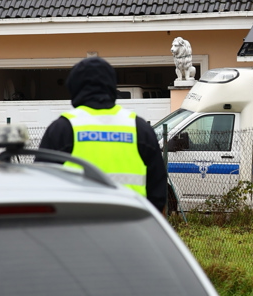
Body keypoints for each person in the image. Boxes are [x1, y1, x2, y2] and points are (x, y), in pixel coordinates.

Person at [37, 57, 167, 212]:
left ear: (74, 87)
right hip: (132, 223)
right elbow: (158, 192)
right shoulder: (139, 128)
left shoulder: (62, 129)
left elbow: (41, 185)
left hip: (77, 223)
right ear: (112, 86)